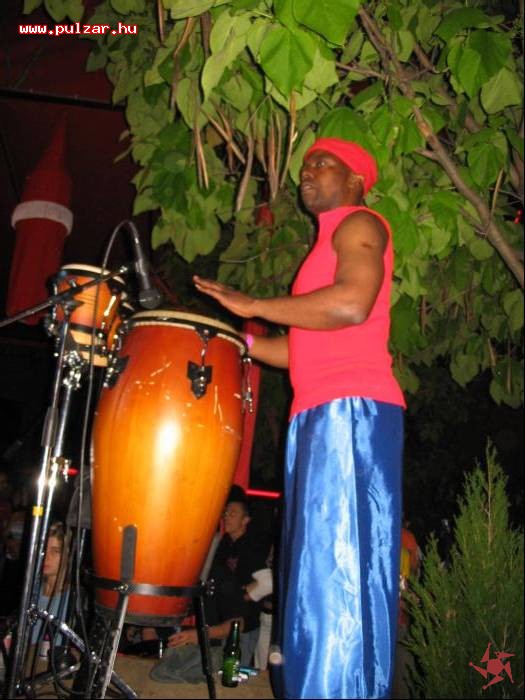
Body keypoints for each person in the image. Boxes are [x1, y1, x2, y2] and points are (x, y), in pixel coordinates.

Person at [194, 136, 406, 699]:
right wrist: (234, 339)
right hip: (318, 412)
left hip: (350, 409)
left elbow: (351, 304)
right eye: (305, 165)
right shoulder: (325, 245)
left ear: (356, 179)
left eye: (322, 163)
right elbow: (298, 348)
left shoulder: (359, 223)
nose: (306, 172)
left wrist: (254, 305)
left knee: (335, 566)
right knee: (313, 566)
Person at [149, 486, 269, 683]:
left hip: (243, 624)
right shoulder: (224, 544)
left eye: (233, 514)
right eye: (226, 513)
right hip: (222, 619)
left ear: (245, 520)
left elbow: (268, 582)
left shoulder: (251, 547)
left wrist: (245, 595)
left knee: (234, 676)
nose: (226, 517)